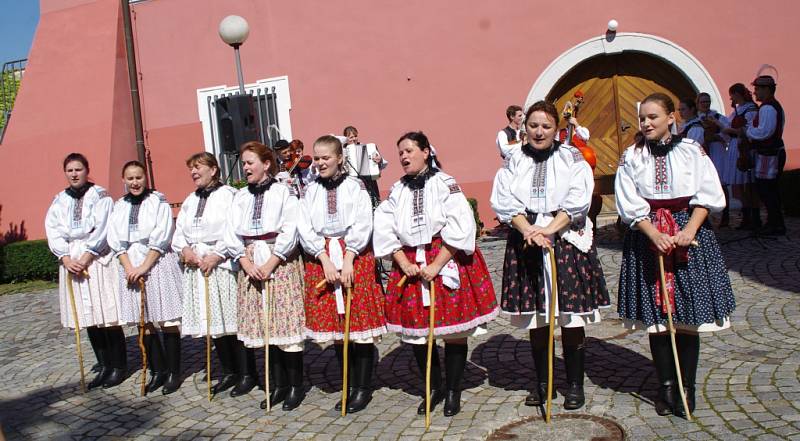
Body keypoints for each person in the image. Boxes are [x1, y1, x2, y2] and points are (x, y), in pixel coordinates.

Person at [615, 93, 736, 418]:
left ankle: (687, 387)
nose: (646, 123)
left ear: (671, 117)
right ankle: (666, 385)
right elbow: (628, 200)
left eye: (653, 117)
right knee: (658, 320)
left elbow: (708, 194)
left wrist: (689, 231)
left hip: (688, 231)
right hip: (647, 233)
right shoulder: (632, 156)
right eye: (642, 118)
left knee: (686, 318)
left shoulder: (691, 151)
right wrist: (653, 233)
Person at [490, 101, 610, 410]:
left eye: (545, 126)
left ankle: (574, 384)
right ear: (524, 127)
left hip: (564, 240)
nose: (539, 131)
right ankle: (543, 383)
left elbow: (578, 199)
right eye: (533, 125)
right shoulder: (514, 159)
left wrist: (549, 230)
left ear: (556, 128)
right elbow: (504, 198)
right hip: (527, 240)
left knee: (570, 318)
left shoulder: (571, 157)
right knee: (537, 318)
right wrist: (529, 229)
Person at [374, 131, 499, 417]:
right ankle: (434, 387)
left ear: (426, 151)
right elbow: (384, 225)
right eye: (400, 153)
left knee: (454, 331)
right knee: (419, 333)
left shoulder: (445, 183)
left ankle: (454, 390)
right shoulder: (397, 190)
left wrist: (437, 264)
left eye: (409, 150)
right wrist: (402, 261)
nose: (403, 156)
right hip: (410, 264)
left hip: (443, 258)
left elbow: (460, 224)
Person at [297, 135, 387, 413]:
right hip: (321, 258)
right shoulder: (310, 190)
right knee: (338, 328)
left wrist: (349, 256)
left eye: (326, 157)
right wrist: (322, 257)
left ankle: (362, 388)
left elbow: (363, 222)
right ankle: (348, 384)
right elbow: (304, 225)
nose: (321, 162)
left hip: (353, 255)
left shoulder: (354, 187)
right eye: (317, 157)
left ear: (339, 159)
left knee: (359, 325)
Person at [225, 141, 307, 411]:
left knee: (285, 325)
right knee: (265, 327)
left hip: (279, 262)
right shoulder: (241, 196)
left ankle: (295, 385)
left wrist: (272, 261)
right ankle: (278, 385)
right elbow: (231, 231)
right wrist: (245, 261)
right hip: (251, 262)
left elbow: (290, 227)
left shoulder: (283, 192)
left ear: (266, 164)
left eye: (250, 162)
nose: (245, 167)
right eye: (244, 163)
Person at [172, 152, 257, 397]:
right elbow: (180, 232)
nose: (193, 172)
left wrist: (217, 255)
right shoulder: (190, 199)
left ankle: (247, 373)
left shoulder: (229, 195)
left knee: (233, 324)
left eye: (198, 167)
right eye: (191, 168)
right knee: (214, 324)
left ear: (214, 169)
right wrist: (185, 249)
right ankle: (229, 370)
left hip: (221, 265)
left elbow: (234, 229)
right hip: (197, 266)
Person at [45, 153, 127, 389]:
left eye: (78, 169)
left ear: (87, 170)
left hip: (97, 260)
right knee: (88, 316)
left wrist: (88, 255)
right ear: (65, 173)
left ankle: (118, 366)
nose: (74, 174)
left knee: (106, 314)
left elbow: (103, 228)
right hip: (72, 260)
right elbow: (53, 229)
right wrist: (66, 257)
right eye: (70, 170)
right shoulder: (59, 200)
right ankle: (103, 364)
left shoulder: (100, 196)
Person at [107, 160, 184, 395]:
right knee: (145, 322)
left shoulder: (157, 201)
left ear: (145, 178)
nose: (134, 182)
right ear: (124, 180)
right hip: (130, 264)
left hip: (157, 262)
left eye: (138, 177)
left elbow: (162, 235)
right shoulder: (119, 206)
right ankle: (157, 370)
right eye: (130, 178)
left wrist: (144, 266)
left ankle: (173, 372)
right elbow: (114, 238)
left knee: (168, 320)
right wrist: (129, 266)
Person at [746, 75, 786, 236]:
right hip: (769, 154)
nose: (755, 93)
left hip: (770, 155)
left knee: (767, 190)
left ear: (767, 90)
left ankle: (776, 224)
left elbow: (764, 132)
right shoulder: (771, 106)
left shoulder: (768, 108)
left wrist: (748, 130)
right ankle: (773, 222)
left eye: (757, 89)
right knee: (768, 190)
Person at [721, 84, 760, 230]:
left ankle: (754, 218)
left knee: (748, 185)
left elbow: (751, 128)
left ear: (738, 94)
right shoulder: (737, 110)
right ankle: (746, 216)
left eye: (732, 94)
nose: (731, 98)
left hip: (743, 147)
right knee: (739, 184)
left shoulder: (750, 109)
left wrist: (732, 130)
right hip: (735, 146)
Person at [697, 93, 732, 226]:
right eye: (702, 102)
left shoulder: (718, 117)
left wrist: (717, 135)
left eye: (707, 101)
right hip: (703, 152)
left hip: (717, 151)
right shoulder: (696, 120)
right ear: (698, 104)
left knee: (721, 183)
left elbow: (727, 133)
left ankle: (725, 215)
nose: (705, 104)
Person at [342, 126, 387, 208]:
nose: (354, 139)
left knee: (373, 207)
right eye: (351, 137)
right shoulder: (342, 151)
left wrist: (379, 160)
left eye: (355, 136)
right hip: (351, 184)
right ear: (346, 138)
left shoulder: (367, 148)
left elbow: (383, 163)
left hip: (368, 183)